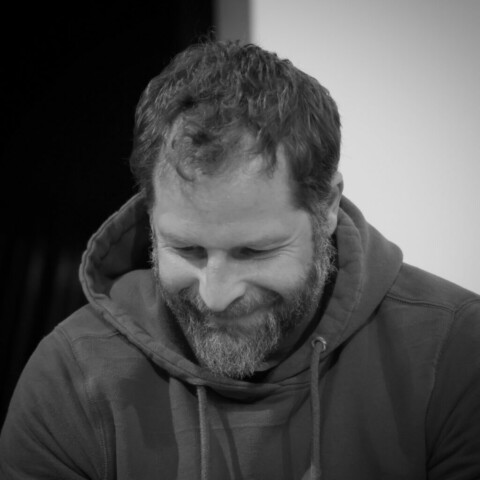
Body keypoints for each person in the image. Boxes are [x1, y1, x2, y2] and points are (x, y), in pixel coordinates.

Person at [1, 39, 479, 480]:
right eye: (186, 249)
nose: (216, 295)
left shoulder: (456, 351)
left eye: (254, 251)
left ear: (328, 205)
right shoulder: (70, 377)